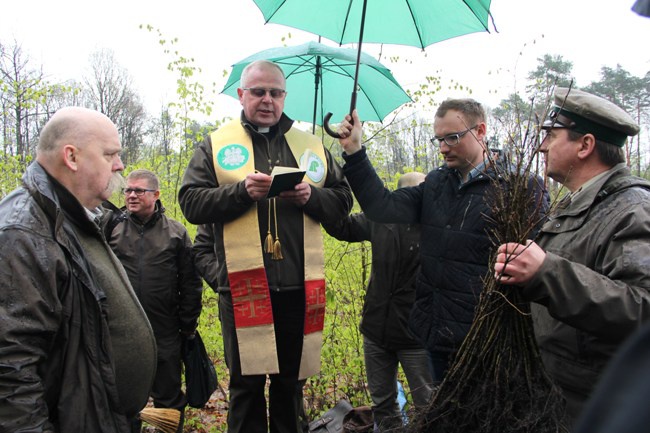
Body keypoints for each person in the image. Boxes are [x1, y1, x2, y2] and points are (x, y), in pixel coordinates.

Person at [179, 59, 353, 433]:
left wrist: (311, 197)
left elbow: (342, 203)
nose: (267, 100)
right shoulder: (215, 145)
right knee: (246, 387)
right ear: (241, 94)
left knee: (291, 387)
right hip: (243, 288)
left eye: (275, 92)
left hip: (298, 288)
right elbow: (191, 203)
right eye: (258, 92)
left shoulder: (310, 147)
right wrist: (241, 193)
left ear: (285, 96)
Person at [336, 99, 547, 385]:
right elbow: (381, 208)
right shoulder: (435, 184)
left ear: (481, 130)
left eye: (452, 138)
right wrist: (354, 151)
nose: (443, 147)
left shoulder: (518, 188)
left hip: (488, 341)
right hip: (437, 336)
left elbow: (533, 268)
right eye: (438, 139)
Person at [493, 87, 650, 426]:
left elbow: (642, 308)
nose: (541, 145)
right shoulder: (574, 203)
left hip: (600, 401)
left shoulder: (632, 211)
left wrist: (545, 273)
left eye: (551, 135)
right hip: (562, 391)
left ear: (585, 145)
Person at [0, 107, 157, 432]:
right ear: (71, 157)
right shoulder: (23, 232)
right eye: (110, 154)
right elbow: (12, 365)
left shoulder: (77, 216)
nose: (120, 165)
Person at [321, 171, 434, 431]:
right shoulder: (381, 219)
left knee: (428, 405)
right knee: (383, 405)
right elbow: (343, 227)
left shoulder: (436, 228)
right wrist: (325, 195)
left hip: (416, 336)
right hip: (376, 329)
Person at [108, 169, 203, 432]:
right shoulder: (111, 228)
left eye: (139, 191)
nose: (131, 195)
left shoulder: (175, 232)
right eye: (128, 190)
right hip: (121, 332)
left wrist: (187, 325)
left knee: (169, 398)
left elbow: (191, 283)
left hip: (165, 330)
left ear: (156, 195)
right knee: (121, 397)